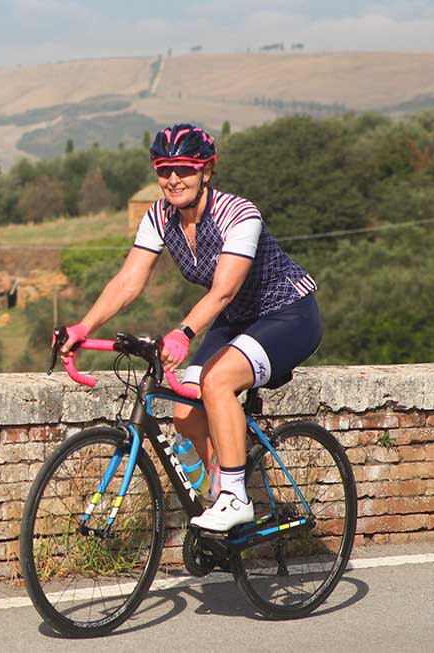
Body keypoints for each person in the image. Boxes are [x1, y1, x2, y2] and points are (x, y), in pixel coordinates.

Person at [60, 123, 321, 531]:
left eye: (184, 168)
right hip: (237, 323)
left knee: (217, 383)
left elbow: (223, 291)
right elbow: (128, 281)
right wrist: (83, 326)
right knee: (184, 411)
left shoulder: (238, 214)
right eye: (164, 170)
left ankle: (237, 498)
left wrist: (182, 333)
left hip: (287, 314)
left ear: (207, 171)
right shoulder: (159, 216)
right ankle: (223, 489)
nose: (173, 179)